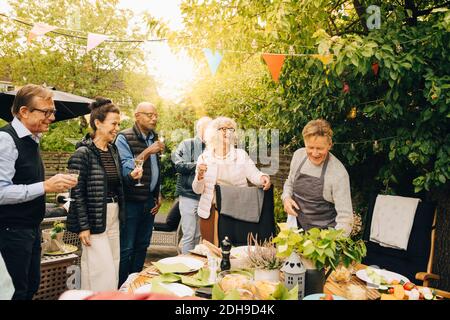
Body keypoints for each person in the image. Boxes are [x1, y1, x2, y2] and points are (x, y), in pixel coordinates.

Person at [0, 84, 78, 300]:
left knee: (31, 287)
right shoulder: (5, 140)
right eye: (47, 111)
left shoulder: (32, 140)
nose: (52, 117)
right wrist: (45, 186)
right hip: (10, 232)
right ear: (24, 112)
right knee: (15, 293)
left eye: (52, 111)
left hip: (30, 230)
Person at [67, 98, 142, 291]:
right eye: (113, 123)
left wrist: (131, 177)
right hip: (94, 219)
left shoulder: (113, 150)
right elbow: (76, 194)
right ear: (98, 123)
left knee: (114, 263)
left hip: (114, 214)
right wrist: (83, 226)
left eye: (118, 123)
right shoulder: (82, 153)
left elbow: (114, 184)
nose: (117, 128)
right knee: (100, 269)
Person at [192, 117, 271, 245]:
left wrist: (263, 178)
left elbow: (253, 173)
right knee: (211, 249)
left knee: (235, 249)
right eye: (222, 128)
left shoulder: (240, 155)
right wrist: (200, 176)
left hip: (236, 210)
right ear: (213, 132)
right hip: (212, 211)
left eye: (230, 129)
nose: (226, 132)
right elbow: (197, 189)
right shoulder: (204, 157)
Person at [115, 102, 164, 287]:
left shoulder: (154, 137)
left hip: (149, 200)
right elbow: (127, 166)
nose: (154, 118)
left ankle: (136, 282)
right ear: (137, 116)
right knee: (127, 247)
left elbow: (156, 168)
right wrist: (148, 151)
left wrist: (157, 193)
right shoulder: (124, 137)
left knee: (143, 245)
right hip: (131, 201)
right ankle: (122, 287)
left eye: (155, 115)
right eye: (149, 115)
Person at [282, 119, 353, 236]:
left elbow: (346, 219)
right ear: (304, 143)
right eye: (310, 148)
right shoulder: (298, 156)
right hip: (296, 230)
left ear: (329, 145)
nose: (314, 153)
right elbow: (289, 182)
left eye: (320, 148)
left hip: (325, 239)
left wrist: (331, 244)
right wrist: (286, 198)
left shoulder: (338, 173)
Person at [172, 116, 212, 254]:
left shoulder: (213, 147)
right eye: (209, 128)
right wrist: (198, 166)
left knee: (199, 235)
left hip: (205, 197)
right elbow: (178, 165)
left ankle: (194, 264)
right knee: (189, 234)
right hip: (188, 194)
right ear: (200, 129)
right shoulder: (186, 144)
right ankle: (185, 264)